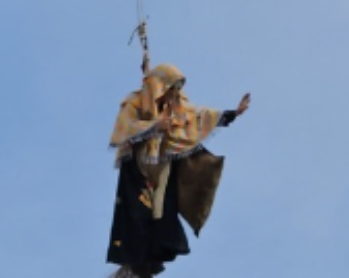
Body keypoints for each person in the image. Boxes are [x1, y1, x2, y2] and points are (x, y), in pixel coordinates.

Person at [106, 63, 251, 277]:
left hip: (163, 165)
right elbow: (125, 127)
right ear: (160, 87)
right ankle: (133, 264)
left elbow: (197, 117)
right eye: (171, 88)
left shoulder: (176, 106)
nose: (175, 94)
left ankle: (148, 262)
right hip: (139, 166)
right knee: (138, 214)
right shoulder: (136, 102)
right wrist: (154, 125)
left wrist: (232, 114)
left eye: (176, 89)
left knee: (161, 215)